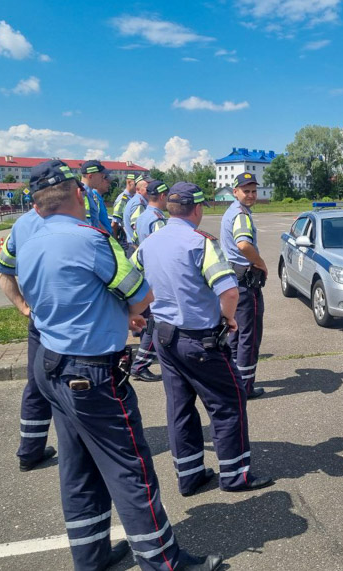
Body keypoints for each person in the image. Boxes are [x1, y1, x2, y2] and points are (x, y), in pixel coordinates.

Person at [19, 161, 221, 571]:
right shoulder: (91, 239)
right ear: (79, 193)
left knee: (78, 471)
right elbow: (139, 294)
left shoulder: (28, 239)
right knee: (131, 471)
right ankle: (164, 562)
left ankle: (91, 558)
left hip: (49, 362)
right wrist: (125, 311)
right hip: (90, 372)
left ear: (37, 203)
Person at [135, 182, 273, 495]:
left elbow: (134, 286)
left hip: (164, 337)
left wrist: (141, 313)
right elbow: (228, 289)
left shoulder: (149, 243)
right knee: (228, 402)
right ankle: (236, 474)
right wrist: (227, 319)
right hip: (199, 340)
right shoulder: (200, 243)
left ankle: (190, 475)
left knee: (180, 408)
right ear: (197, 209)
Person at [0, 207, 56, 473]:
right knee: (80, 385)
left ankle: (30, 451)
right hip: (75, 322)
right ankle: (88, 451)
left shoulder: (22, 225)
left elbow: (1, 269)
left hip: (39, 318)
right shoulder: (76, 222)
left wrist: (22, 306)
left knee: (36, 383)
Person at [219, 172, 266, 399]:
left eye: (253, 191)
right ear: (235, 191)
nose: (250, 195)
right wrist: (261, 263)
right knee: (249, 335)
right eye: (245, 191)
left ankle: (233, 380)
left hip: (233, 279)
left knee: (235, 334)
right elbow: (244, 244)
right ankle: (245, 387)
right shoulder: (241, 216)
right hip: (245, 282)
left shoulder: (232, 211)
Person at [130, 182, 169, 382]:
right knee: (154, 321)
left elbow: (137, 244)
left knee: (151, 320)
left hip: (144, 273)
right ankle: (140, 364)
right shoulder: (158, 220)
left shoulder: (143, 216)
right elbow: (164, 248)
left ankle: (142, 363)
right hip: (156, 276)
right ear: (162, 196)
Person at [124, 176, 166, 253]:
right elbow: (137, 229)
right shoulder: (139, 204)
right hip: (137, 248)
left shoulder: (137, 201)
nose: (150, 189)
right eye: (147, 187)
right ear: (138, 190)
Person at [81, 160, 113, 233]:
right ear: (90, 176)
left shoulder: (90, 194)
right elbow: (87, 226)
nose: (103, 179)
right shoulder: (82, 195)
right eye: (102, 176)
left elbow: (96, 221)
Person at [112, 174, 136, 246]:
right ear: (129, 183)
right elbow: (115, 223)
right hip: (125, 239)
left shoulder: (132, 197)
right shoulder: (123, 199)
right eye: (136, 184)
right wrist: (115, 243)